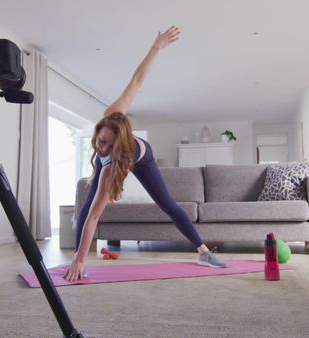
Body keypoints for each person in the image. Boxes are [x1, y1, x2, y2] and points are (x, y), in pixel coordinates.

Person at [64, 26, 227, 282]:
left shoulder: (116, 163)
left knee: (167, 204)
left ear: (119, 148)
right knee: (88, 203)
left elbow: (98, 214)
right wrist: (157, 47)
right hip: (112, 163)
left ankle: (203, 252)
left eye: (108, 147)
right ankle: (77, 256)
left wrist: (104, 165)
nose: (100, 148)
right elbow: (137, 80)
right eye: (100, 140)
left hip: (140, 159)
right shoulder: (113, 114)